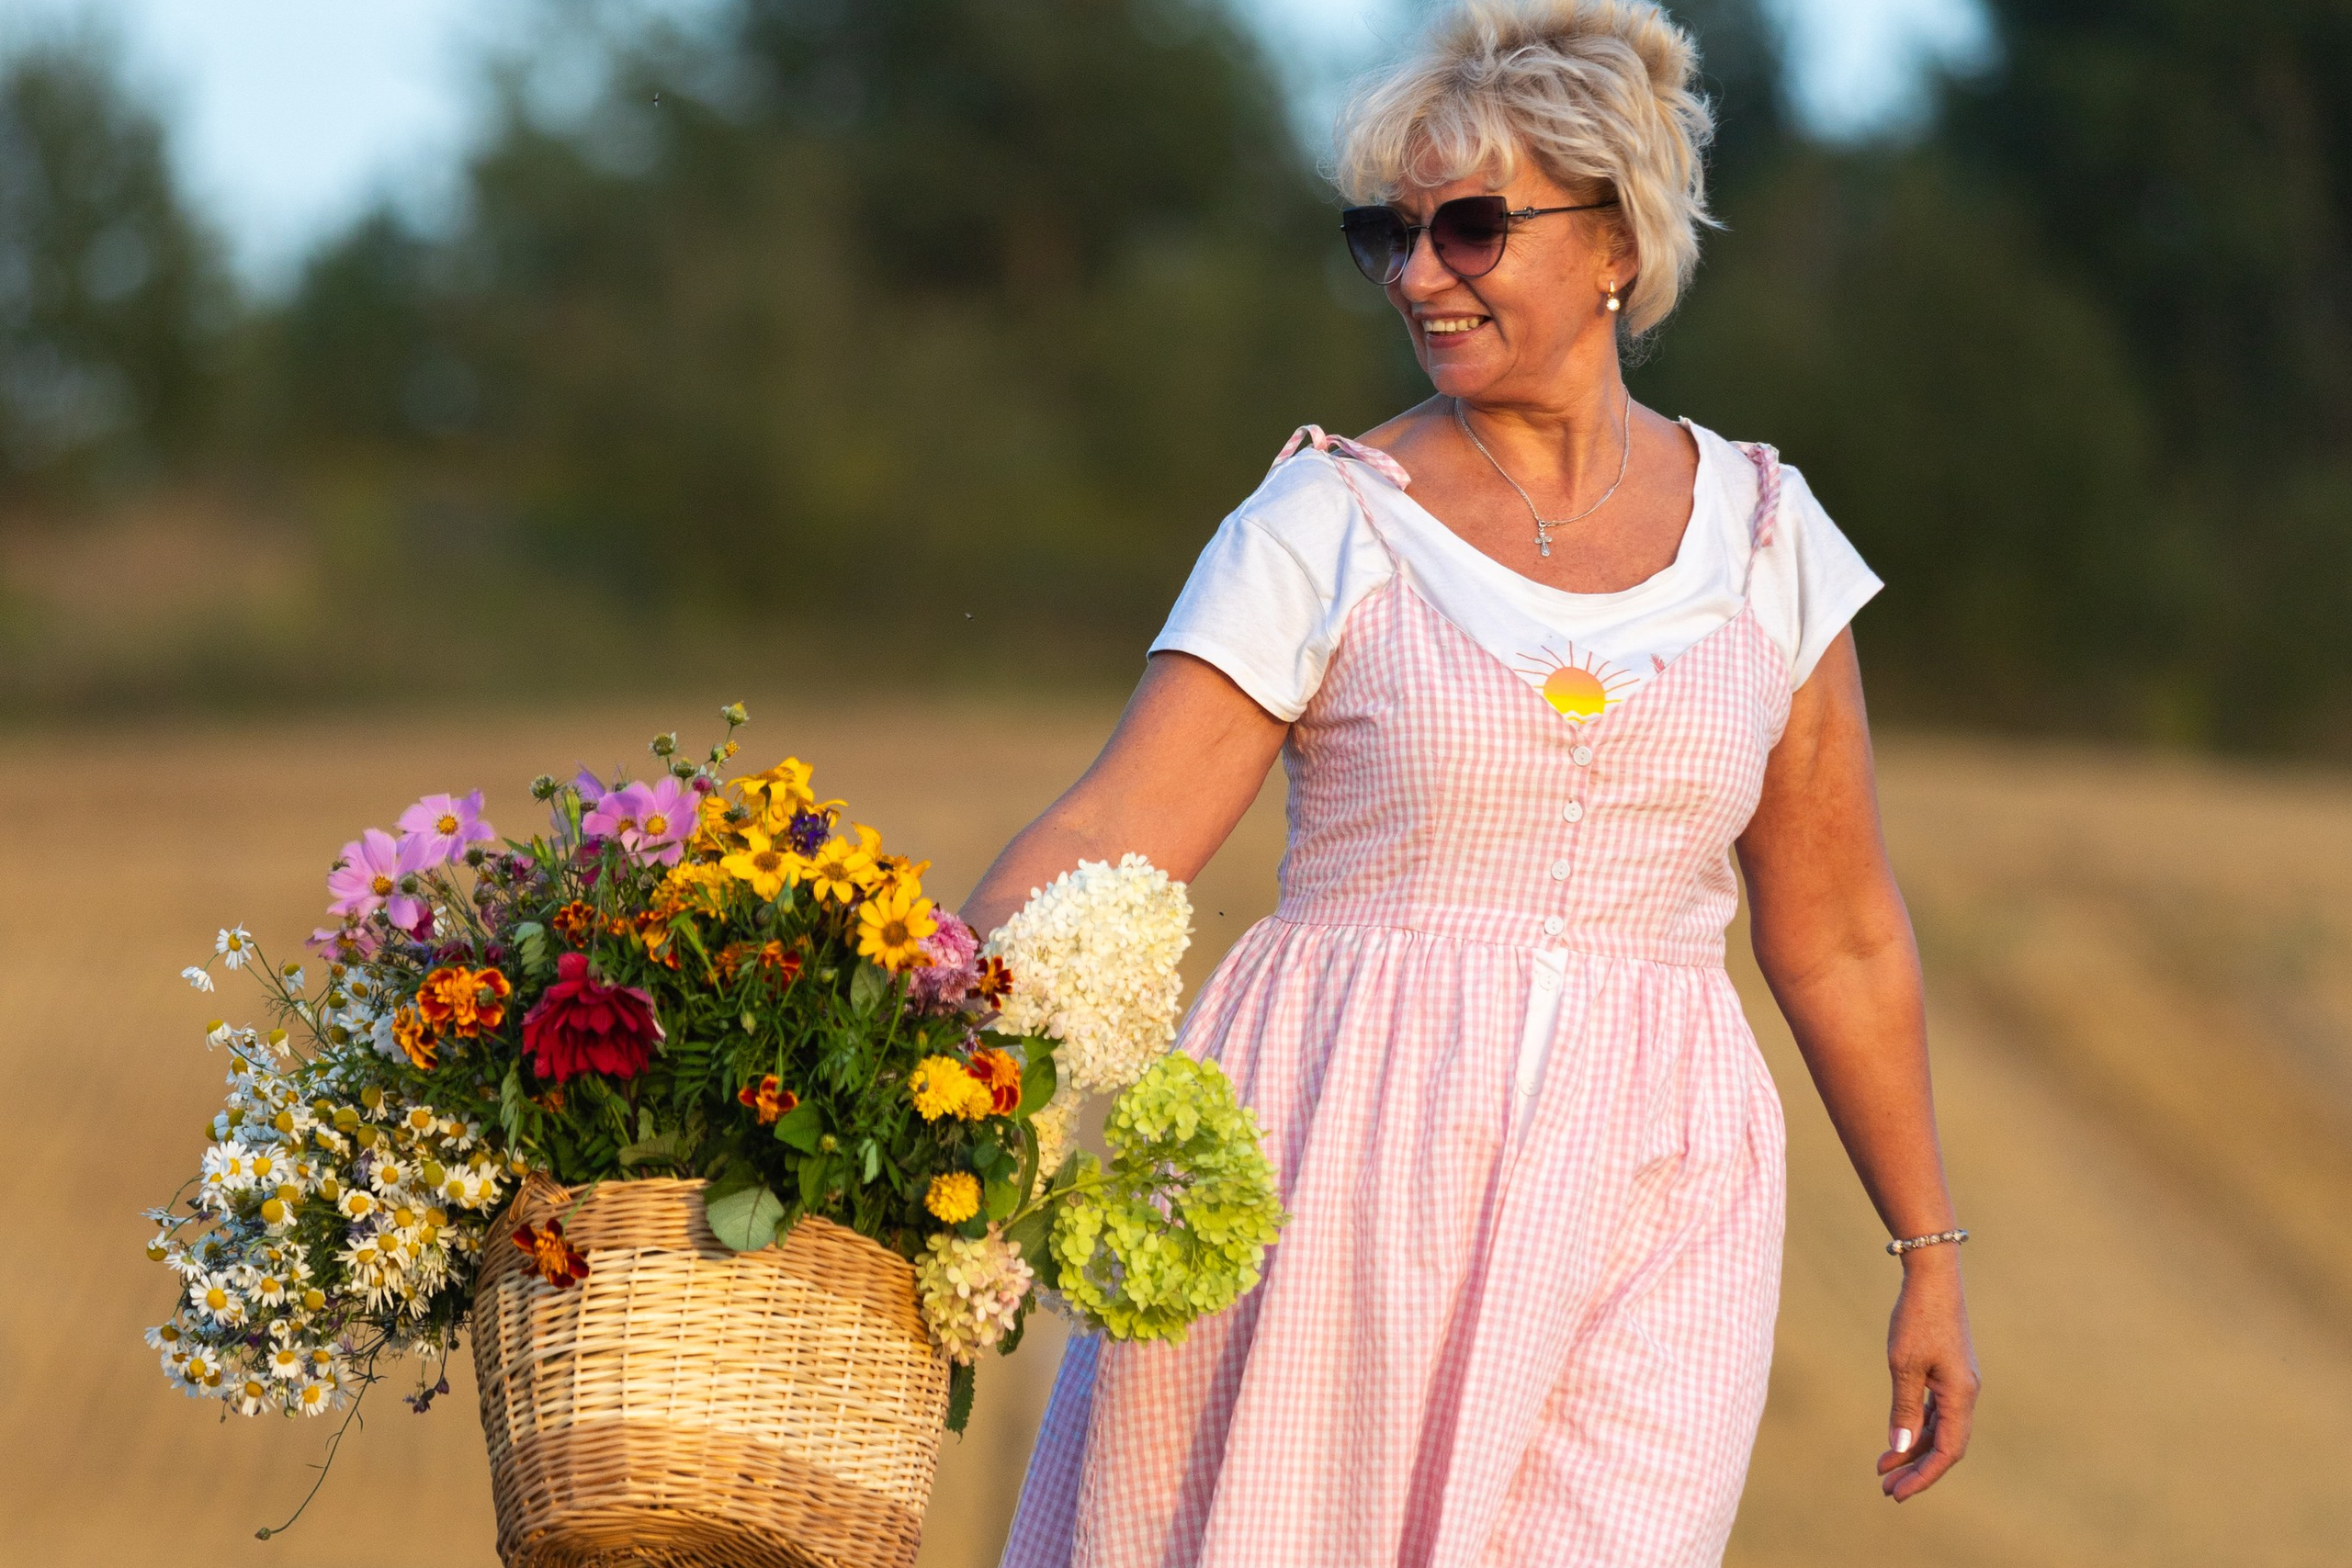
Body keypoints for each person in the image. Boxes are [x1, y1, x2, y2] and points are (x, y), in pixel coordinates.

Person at [964, 3, 1978, 1562]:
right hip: (1336, 1149)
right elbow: (1115, 833)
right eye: (1389, 233)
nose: (1416, 276)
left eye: (1470, 230)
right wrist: (903, 1042)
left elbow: (1839, 931)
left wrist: (1929, 1252)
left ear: (1618, 240)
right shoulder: (1324, 522)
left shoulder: (1770, 540)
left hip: (1659, 1190)